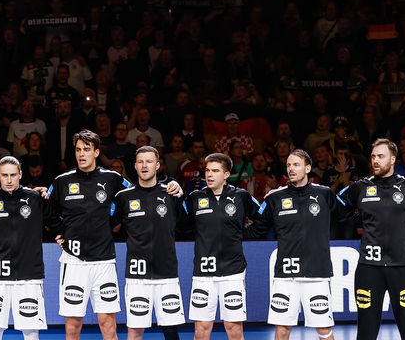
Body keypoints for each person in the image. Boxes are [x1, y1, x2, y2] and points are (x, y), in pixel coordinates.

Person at [46, 131, 180, 340]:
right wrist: (59, 231)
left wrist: (173, 186)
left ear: (97, 152)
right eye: (78, 149)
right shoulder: (62, 181)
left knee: (108, 326)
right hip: (73, 261)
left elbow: (139, 192)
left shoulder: (113, 178)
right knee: (72, 327)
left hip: (104, 261)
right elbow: (47, 208)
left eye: (87, 149)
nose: (82, 154)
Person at [338, 139, 405, 340]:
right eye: (373, 156)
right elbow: (335, 205)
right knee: (366, 331)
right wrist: (360, 221)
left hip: (403, 265)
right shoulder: (360, 187)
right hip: (369, 267)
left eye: (380, 156)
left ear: (392, 159)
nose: (375, 161)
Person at [248, 149, 351, 340]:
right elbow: (255, 230)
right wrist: (229, 232)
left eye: (296, 164)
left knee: (323, 330)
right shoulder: (275, 198)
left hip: (317, 274)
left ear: (308, 168)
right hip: (286, 275)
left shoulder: (325, 194)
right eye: (288, 165)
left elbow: (348, 217)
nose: (291, 169)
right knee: (283, 329)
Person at [0, 156, 62, 340]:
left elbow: (58, 223)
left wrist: (63, 237)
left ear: (20, 175)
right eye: (5, 175)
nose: (9, 180)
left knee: (31, 333)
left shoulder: (36, 199)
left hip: (29, 276)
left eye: (13, 175)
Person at [184, 153, 262, 340]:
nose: (209, 175)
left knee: (234, 330)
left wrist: (243, 234)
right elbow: (184, 225)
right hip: (203, 272)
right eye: (207, 170)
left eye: (215, 171)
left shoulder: (241, 196)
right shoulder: (195, 197)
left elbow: (262, 218)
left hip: (233, 271)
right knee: (201, 331)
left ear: (226, 175)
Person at [113, 146, 185, 340]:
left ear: (158, 165)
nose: (145, 165)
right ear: (135, 166)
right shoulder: (123, 198)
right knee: (135, 331)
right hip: (137, 276)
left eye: (149, 161)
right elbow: (106, 227)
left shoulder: (173, 195)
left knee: (171, 331)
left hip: (167, 273)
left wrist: (180, 191)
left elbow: (189, 224)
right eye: (141, 162)